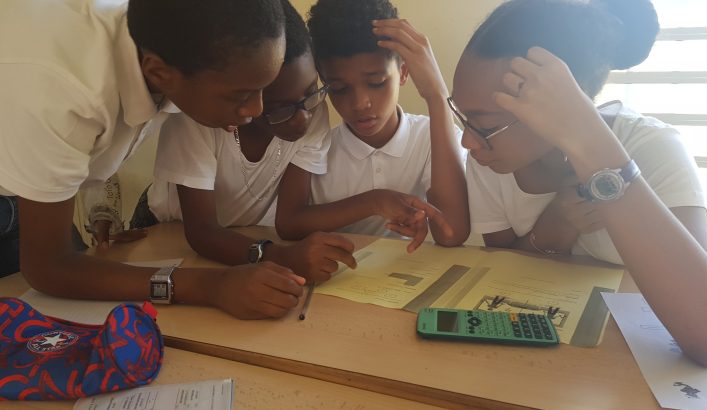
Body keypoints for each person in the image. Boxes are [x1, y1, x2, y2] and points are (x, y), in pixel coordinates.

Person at [452, 0, 707, 366]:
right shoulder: (490, 161)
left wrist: (593, 149)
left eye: (485, 125)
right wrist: (554, 227)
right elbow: (501, 273)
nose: (468, 141)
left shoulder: (651, 146)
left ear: (566, 102)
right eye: (463, 118)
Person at [0, 0, 307, 319]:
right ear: (159, 73)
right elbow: (48, 267)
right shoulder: (65, 90)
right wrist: (212, 286)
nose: (257, 109)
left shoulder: (171, 40)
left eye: (263, 90)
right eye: (240, 95)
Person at [132, 0, 356, 283]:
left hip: (240, 239)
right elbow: (201, 231)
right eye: (279, 107)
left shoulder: (312, 110)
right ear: (251, 92)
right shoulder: (198, 118)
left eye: (311, 91)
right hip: (168, 231)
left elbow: (290, 218)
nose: (302, 118)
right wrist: (283, 257)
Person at [274, 0, 469, 252]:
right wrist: (374, 202)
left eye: (376, 82)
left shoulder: (434, 137)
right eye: (339, 88)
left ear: (403, 72)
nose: (360, 104)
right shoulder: (316, 144)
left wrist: (437, 97)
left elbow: (452, 233)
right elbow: (288, 225)